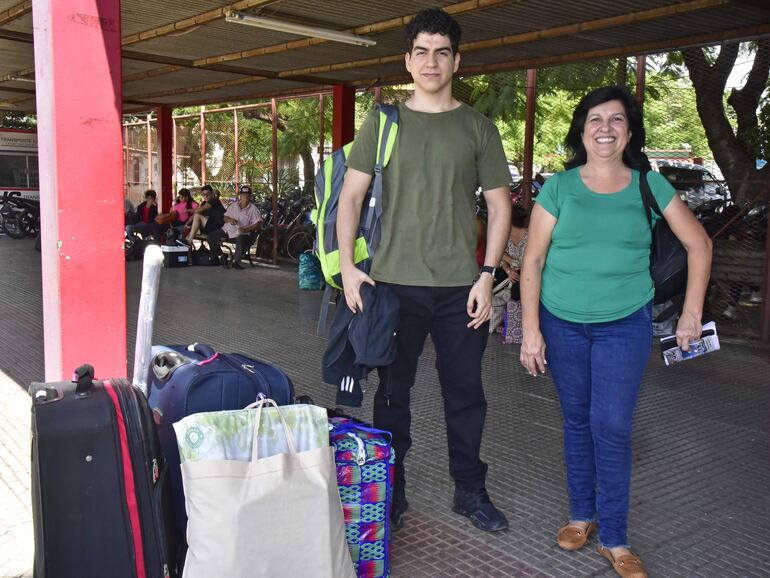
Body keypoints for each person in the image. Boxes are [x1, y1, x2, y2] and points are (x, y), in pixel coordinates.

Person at [519, 86, 712, 578]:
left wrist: (691, 314)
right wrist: (531, 330)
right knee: (577, 421)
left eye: (617, 120)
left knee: (613, 426)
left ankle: (616, 536)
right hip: (562, 322)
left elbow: (699, 244)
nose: (605, 128)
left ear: (629, 132)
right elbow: (533, 260)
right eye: (595, 120)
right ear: (581, 131)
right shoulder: (559, 187)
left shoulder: (650, 185)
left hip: (625, 323)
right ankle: (581, 515)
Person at [337, 8, 512, 534]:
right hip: (392, 286)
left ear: (456, 61)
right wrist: (348, 267)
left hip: (463, 287)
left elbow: (501, 208)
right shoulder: (383, 122)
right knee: (392, 395)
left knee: (466, 394)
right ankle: (392, 491)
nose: (431, 61)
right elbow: (350, 198)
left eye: (442, 52)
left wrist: (487, 275)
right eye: (421, 51)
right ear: (407, 61)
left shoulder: (478, 127)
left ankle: (470, 490)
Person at [207, 185, 263, 269]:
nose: (245, 197)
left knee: (241, 238)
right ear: (240, 195)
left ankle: (236, 262)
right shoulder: (233, 205)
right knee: (211, 237)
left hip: (242, 232)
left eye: (247, 195)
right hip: (227, 230)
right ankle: (221, 255)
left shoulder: (253, 209)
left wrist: (246, 229)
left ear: (250, 196)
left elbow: (259, 223)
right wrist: (229, 220)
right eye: (243, 195)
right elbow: (225, 217)